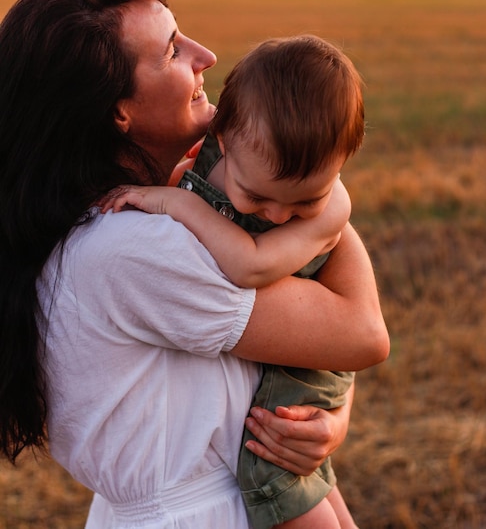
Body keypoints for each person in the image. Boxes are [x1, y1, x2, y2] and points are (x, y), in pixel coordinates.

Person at [0, 0, 389, 529]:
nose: (205, 56)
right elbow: (360, 335)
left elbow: (282, 367)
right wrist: (326, 208)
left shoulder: (131, 217)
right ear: (117, 111)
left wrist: (328, 421)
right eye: (172, 50)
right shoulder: (136, 248)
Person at [102, 35, 366, 529]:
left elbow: (249, 266)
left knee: (275, 472)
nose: (281, 214)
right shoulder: (234, 144)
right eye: (257, 197)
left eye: (304, 202)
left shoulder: (329, 207)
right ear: (223, 138)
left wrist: (174, 203)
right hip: (287, 347)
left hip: (304, 365)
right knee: (309, 478)